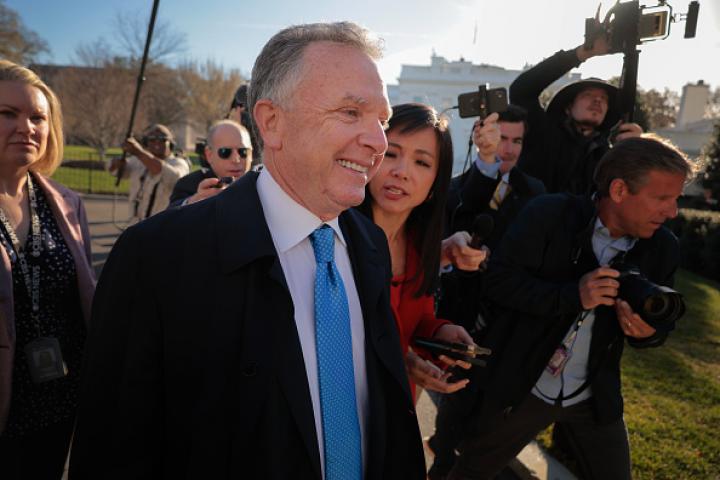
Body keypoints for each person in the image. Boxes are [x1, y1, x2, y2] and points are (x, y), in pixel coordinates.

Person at [70, 22, 426, 479]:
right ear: (271, 121)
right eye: (350, 112)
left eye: (382, 120)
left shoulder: (369, 244)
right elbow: (113, 447)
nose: (378, 142)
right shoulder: (156, 257)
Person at [442, 135, 694, 480]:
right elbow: (498, 283)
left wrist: (647, 333)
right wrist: (573, 295)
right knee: (471, 473)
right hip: (521, 386)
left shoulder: (663, 247)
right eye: (662, 198)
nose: (673, 211)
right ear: (619, 190)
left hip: (594, 396)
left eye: (676, 199)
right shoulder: (549, 214)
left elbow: (661, 322)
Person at [428, 106, 546, 478]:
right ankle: (442, 460)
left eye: (516, 140)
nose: (508, 148)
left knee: (492, 399)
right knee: (457, 391)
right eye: (501, 138)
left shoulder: (536, 192)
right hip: (462, 308)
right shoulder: (458, 187)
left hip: (509, 312)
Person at [0, 60, 95, 479]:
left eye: (38, 117)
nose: (27, 127)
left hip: (59, 401)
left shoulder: (68, 203)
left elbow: (87, 293)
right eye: (8, 113)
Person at [358, 103, 483, 398]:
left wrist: (440, 334)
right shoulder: (334, 238)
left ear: (435, 185)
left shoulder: (419, 246)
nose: (401, 172)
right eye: (391, 154)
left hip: (394, 406)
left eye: (422, 162)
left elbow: (416, 321)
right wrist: (402, 359)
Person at [510, 26, 643, 194]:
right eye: (588, 95)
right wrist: (582, 53)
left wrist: (635, 152)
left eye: (604, 99)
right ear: (568, 108)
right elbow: (521, 91)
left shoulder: (607, 156)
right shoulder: (542, 132)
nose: (597, 100)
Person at [109, 123, 189, 224]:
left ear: (171, 143)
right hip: (135, 224)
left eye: (163, 139)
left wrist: (139, 152)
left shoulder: (179, 163)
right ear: (146, 142)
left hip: (164, 226)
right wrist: (116, 164)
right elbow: (115, 171)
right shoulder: (137, 161)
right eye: (152, 139)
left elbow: (172, 177)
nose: (157, 142)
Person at [169, 119, 253, 207]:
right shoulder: (189, 184)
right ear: (209, 155)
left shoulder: (259, 183)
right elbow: (170, 213)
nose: (236, 160)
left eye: (243, 152)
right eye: (225, 152)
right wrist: (193, 202)